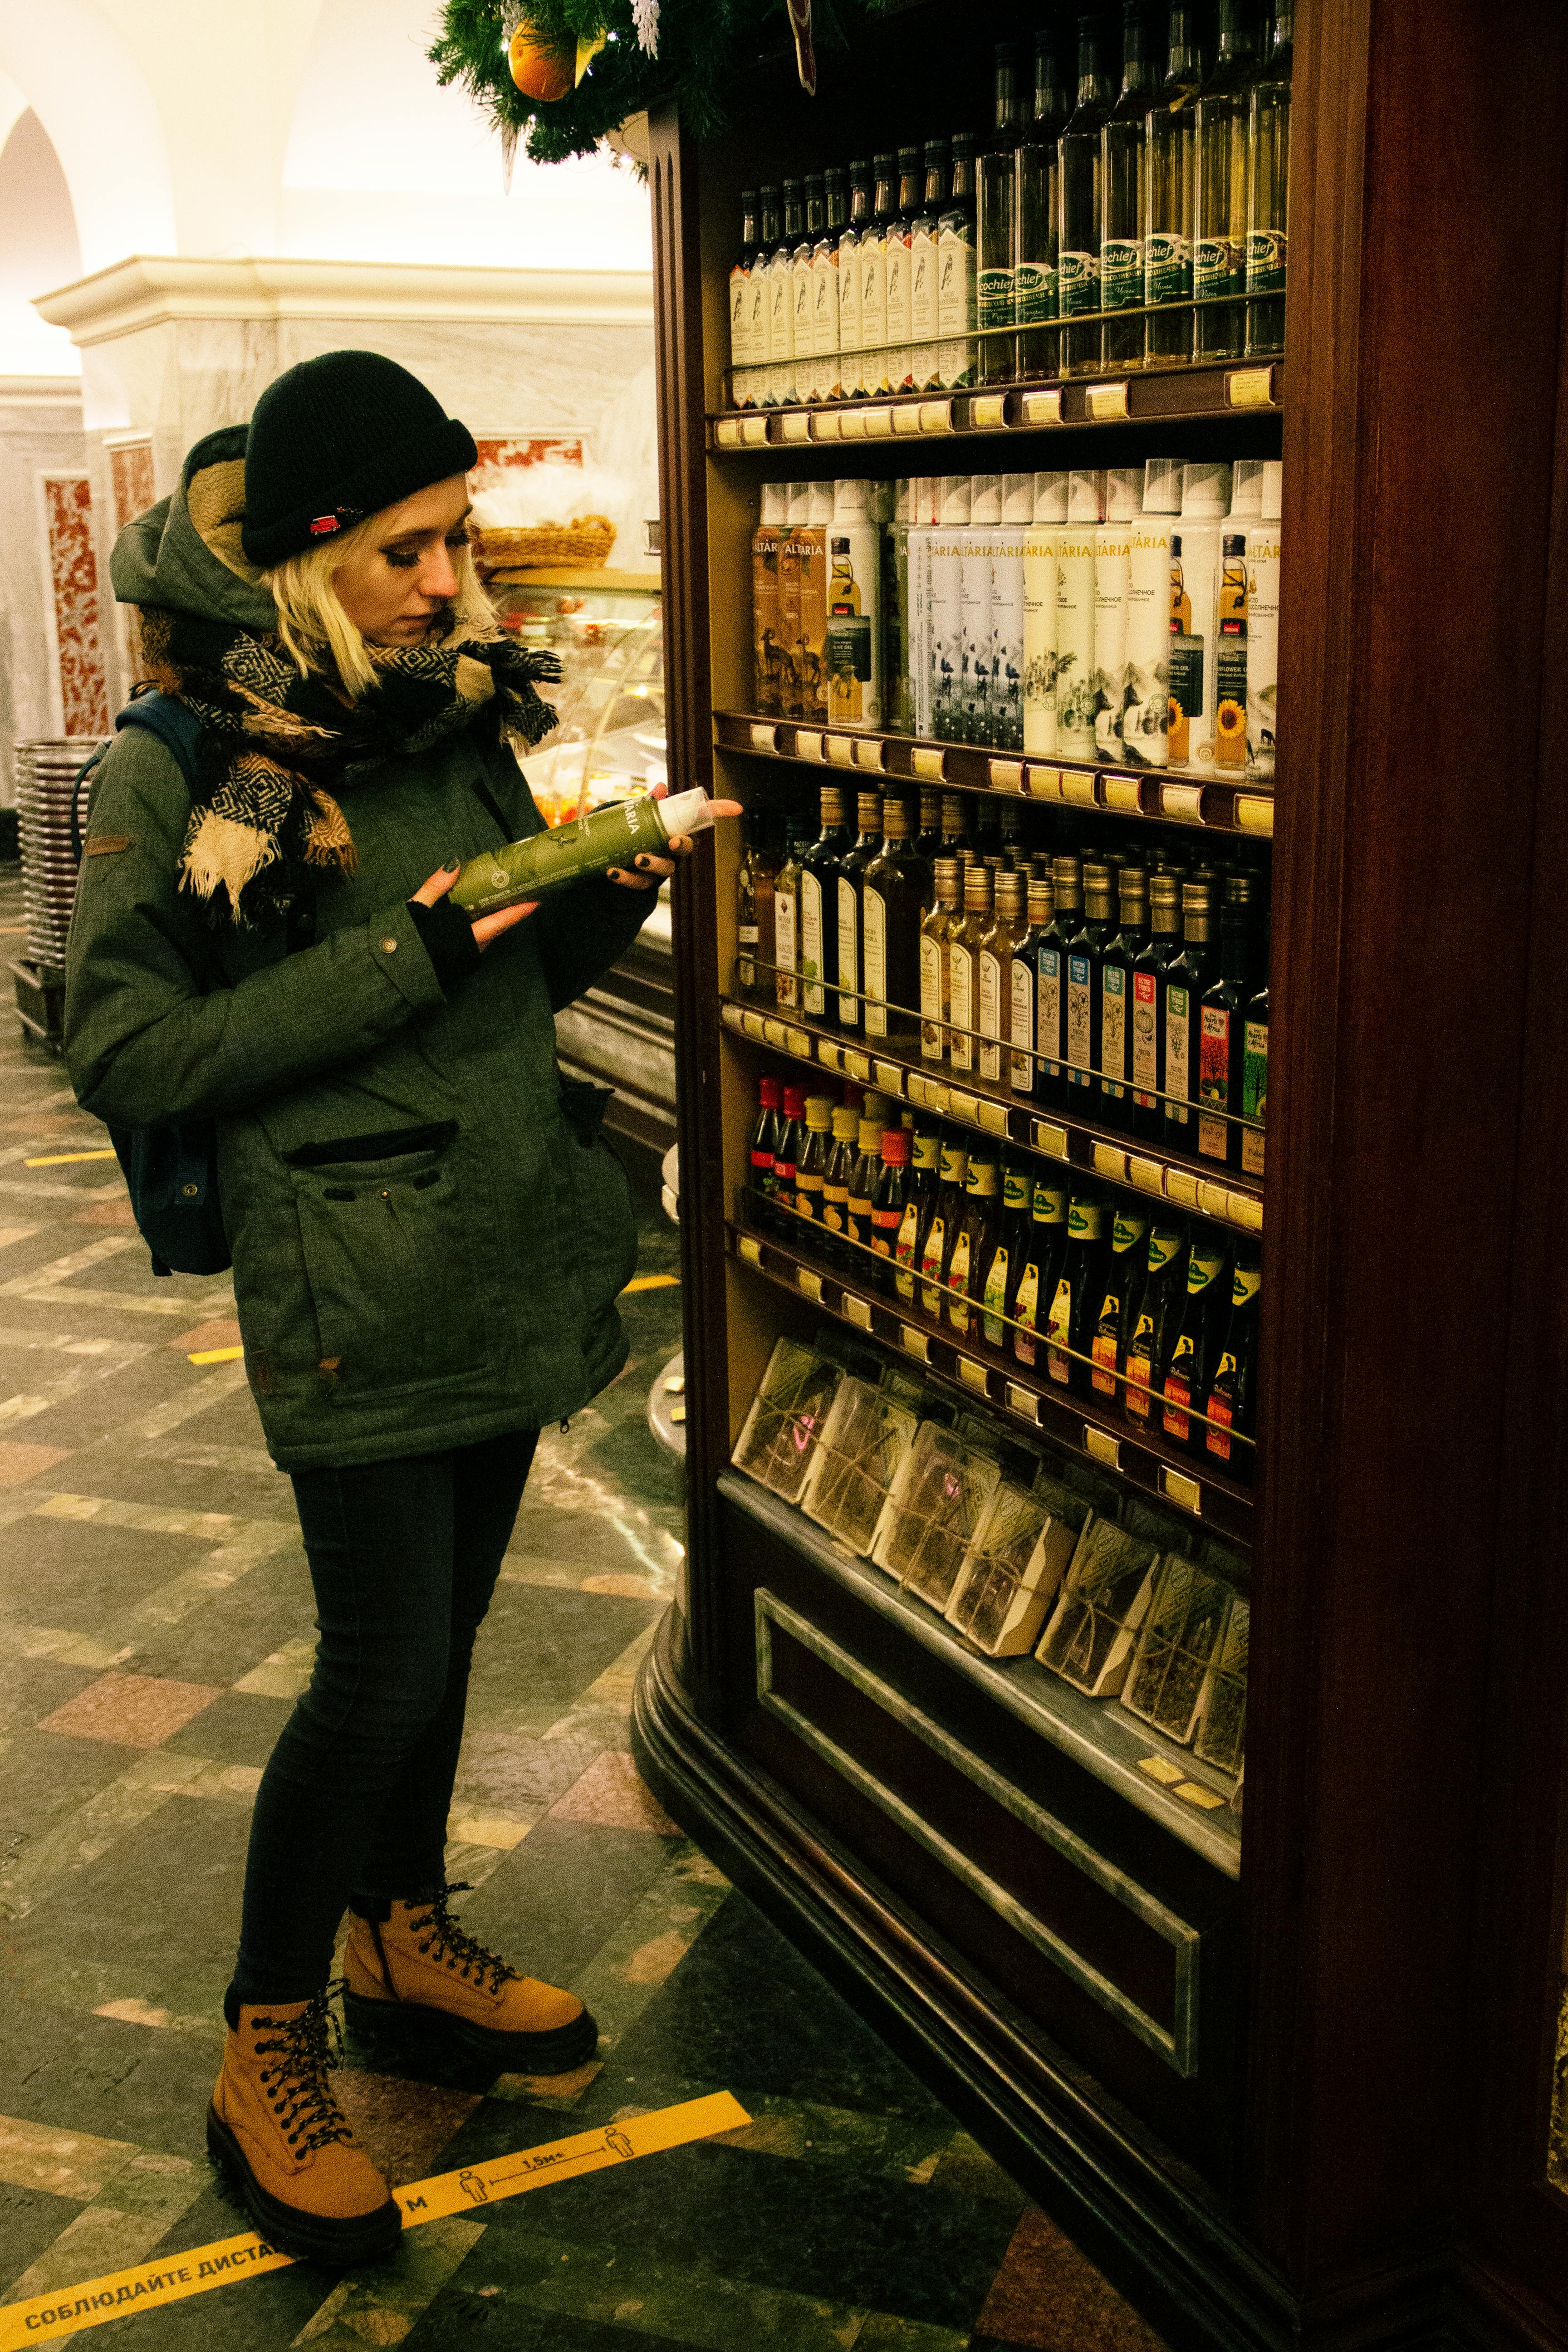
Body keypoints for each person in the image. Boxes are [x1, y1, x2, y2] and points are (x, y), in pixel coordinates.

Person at [64, 352, 730, 2269]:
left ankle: (399, 1938)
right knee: (375, 1672)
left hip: (507, 1246)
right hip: (350, 1274)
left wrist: (610, 873)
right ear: (304, 559)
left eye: (459, 544)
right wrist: (411, 945)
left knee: (443, 1657)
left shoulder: (438, 713)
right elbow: (128, 1045)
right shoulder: (179, 762)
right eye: (410, 551)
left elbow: (501, 968)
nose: (455, 586)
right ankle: (263, 2047)